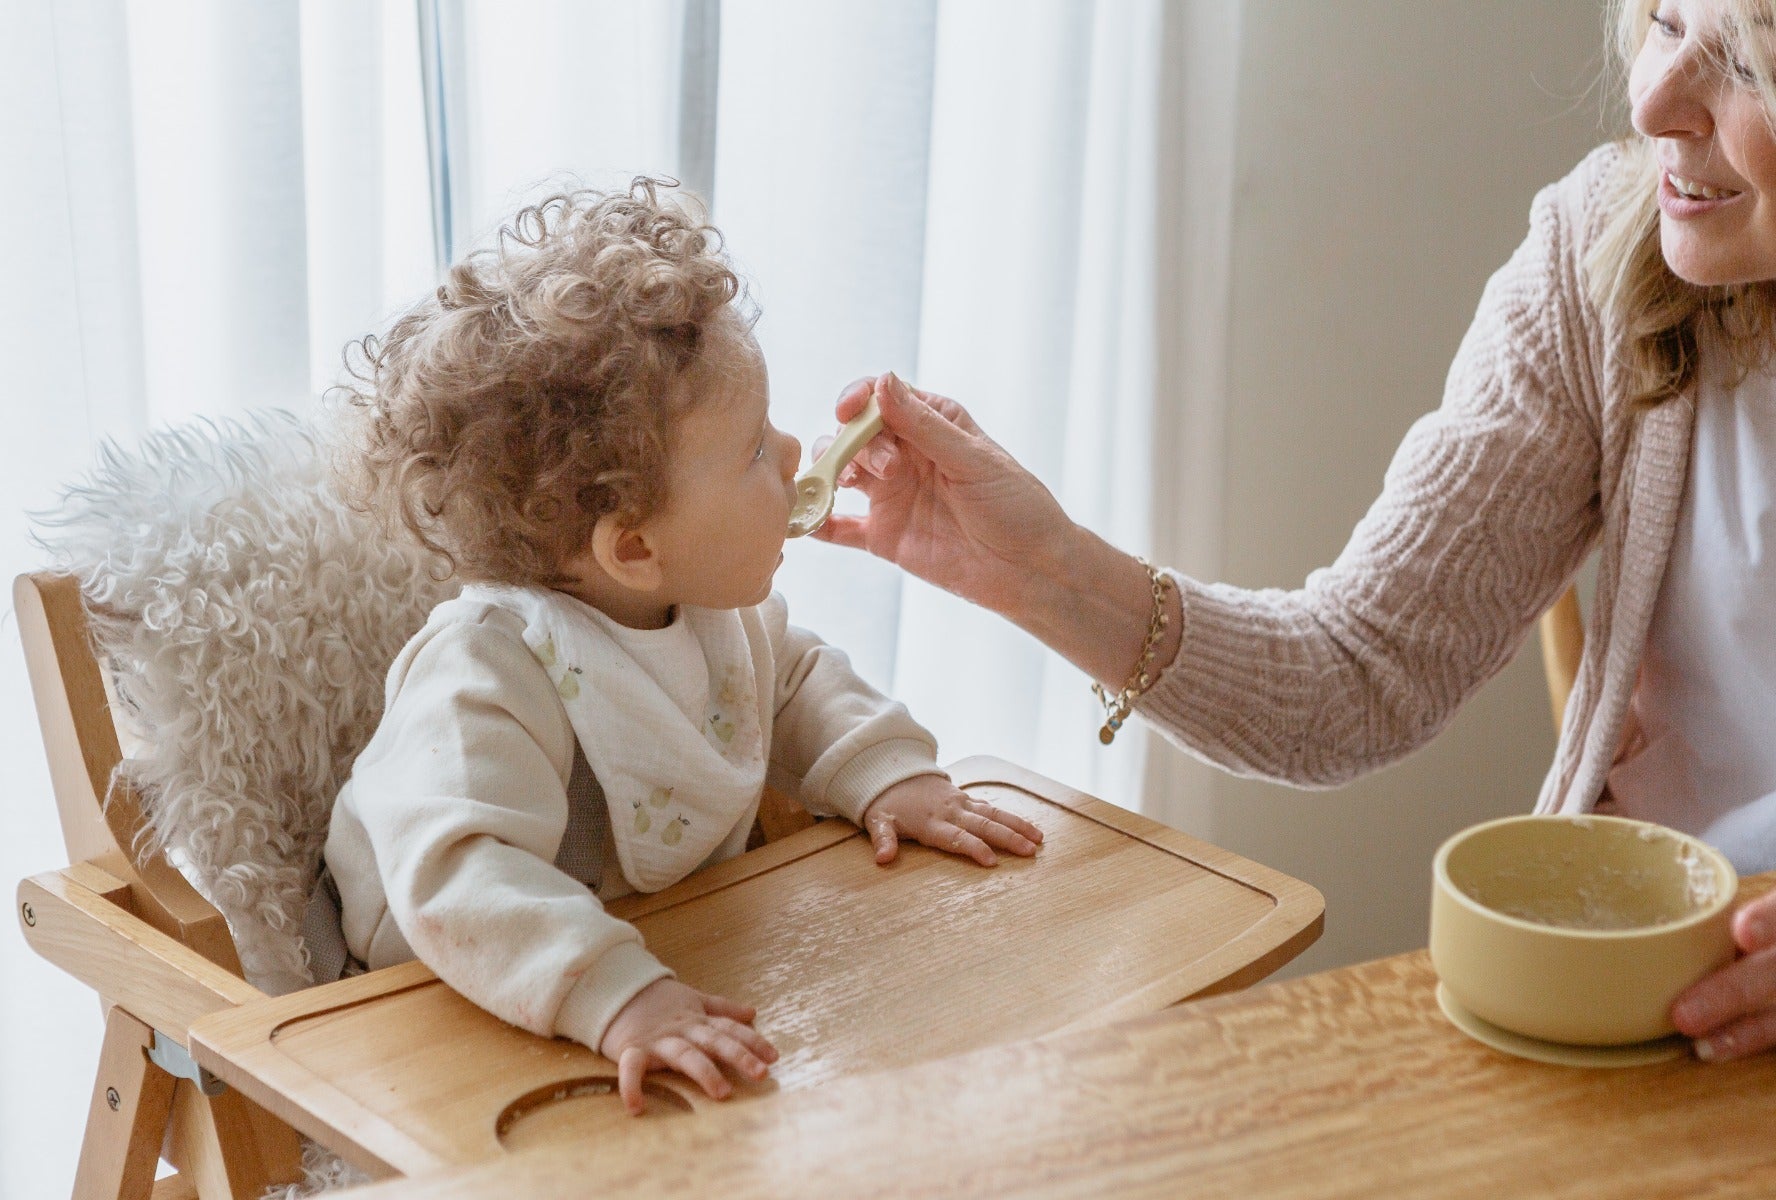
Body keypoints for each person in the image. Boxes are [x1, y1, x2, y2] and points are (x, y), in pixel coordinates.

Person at [813, 0, 1776, 1064]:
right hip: (1649, 992)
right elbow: (1355, 675)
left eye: (1743, 58)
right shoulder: (1603, 248)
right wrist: (1041, 570)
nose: (1654, 102)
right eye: (1666, 20)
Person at [321, 180, 1043, 1115]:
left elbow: (794, 682)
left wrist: (887, 775)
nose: (795, 453)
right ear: (632, 548)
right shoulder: (487, 670)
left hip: (652, 935)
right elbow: (461, 875)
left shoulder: (705, 610)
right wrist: (617, 996)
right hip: (442, 990)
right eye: (754, 452)